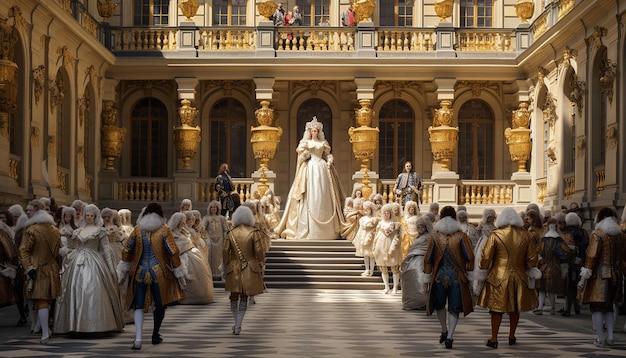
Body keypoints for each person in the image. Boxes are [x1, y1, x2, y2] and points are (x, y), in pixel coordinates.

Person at [117, 202, 186, 350]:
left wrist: (124, 267)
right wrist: (178, 269)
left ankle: (138, 338)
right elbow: (172, 251)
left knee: (139, 306)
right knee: (160, 305)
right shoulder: (164, 230)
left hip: (139, 272)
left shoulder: (137, 230)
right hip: (159, 273)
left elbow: (127, 250)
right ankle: (155, 334)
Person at [475, 207, 540, 349]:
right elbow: (532, 259)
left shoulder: (495, 235)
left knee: (496, 309)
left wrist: (483, 267)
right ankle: (511, 335)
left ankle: (494, 338)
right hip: (519, 276)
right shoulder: (526, 235)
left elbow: (485, 259)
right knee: (514, 308)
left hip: (498, 277)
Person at [54, 204, 124, 334]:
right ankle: (74, 324)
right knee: (75, 290)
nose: (89, 217)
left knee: (94, 289)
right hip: (77, 262)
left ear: (95, 216)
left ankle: (98, 324)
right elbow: (74, 247)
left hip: (95, 262)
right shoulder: (78, 231)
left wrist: (111, 268)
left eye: (91, 215)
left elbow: (106, 250)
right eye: (87, 215)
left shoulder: (100, 231)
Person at [275, 116, 346, 240]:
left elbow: (328, 155)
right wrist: (305, 155)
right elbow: (301, 157)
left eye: (316, 131)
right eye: (313, 131)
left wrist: (329, 161)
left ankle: (327, 231)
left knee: (324, 195)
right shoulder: (306, 143)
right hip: (311, 168)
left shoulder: (323, 143)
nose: (315, 132)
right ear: (309, 131)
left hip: (322, 168)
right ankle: (309, 230)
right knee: (311, 195)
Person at [423, 206, 474, 349]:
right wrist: (469, 273)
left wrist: (426, 275)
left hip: (439, 276)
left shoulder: (435, 236)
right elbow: (469, 257)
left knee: (440, 305)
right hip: (456, 277)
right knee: (454, 307)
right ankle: (450, 336)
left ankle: (444, 330)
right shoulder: (462, 236)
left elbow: (428, 258)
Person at [578, 207, 625, 347]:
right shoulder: (621, 235)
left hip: (599, 275)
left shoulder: (597, 234)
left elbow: (592, 256)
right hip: (616, 275)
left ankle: (600, 338)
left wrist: (584, 276)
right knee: (609, 307)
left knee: (597, 307)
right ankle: (610, 337)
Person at [17, 199, 62, 344]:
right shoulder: (55, 230)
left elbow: (23, 250)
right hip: (52, 269)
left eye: (29, 210)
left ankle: (44, 333)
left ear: (37, 210)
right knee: (46, 301)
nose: (27, 212)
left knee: (41, 302)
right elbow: (59, 251)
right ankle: (45, 330)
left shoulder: (31, 229)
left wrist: (28, 268)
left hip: (37, 269)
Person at [224, 206, 266, 335]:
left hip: (233, 267)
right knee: (244, 296)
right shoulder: (254, 232)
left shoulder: (231, 232)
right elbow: (259, 252)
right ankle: (238, 324)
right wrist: (260, 263)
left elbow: (225, 251)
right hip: (249, 268)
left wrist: (226, 264)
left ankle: (236, 323)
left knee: (233, 296)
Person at [168, 212, 214, 304]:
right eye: (182, 221)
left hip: (192, 255)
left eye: (184, 221)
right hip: (182, 257)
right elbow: (176, 247)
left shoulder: (185, 232)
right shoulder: (172, 234)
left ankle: (201, 296)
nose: (184, 223)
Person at [533, 219, 572, 316]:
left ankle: (540, 307)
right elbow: (566, 253)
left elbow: (537, 252)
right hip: (556, 266)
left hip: (544, 266)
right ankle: (552, 308)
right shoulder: (559, 240)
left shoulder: (543, 240)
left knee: (542, 288)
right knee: (552, 289)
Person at [561, 212, 589, 316]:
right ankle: (577, 307)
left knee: (569, 285)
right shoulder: (584, 232)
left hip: (570, 261)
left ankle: (567, 309)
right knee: (578, 283)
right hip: (581, 261)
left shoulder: (566, 233)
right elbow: (587, 245)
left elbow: (565, 248)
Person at [400, 216, 431, 310]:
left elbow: (428, 249)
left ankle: (422, 302)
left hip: (422, 260)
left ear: (426, 227)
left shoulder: (429, 237)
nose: (420, 229)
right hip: (412, 260)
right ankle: (412, 302)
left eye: (422, 227)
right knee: (411, 280)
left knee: (420, 280)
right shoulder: (417, 237)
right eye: (419, 227)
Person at [373, 203, 402, 294]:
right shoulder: (380, 223)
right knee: (383, 267)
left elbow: (399, 235)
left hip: (392, 245)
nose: (386, 214)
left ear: (390, 213)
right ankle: (386, 287)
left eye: (388, 213)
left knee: (394, 267)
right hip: (381, 245)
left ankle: (395, 287)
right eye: (384, 213)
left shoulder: (395, 224)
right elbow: (377, 234)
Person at [203, 200, 229, 280]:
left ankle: (219, 274)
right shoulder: (206, 218)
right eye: (212, 207)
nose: (213, 209)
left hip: (220, 241)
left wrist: (225, 238)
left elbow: (225, 229)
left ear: (218, 209)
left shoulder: (221, 218)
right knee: (210, 257)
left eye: (215, 207)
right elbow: (203, 229)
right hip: (210, 240)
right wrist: (206, 238)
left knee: (219, 257)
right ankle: (210, 274)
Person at [353, 201, 378, 276]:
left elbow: (376, 229)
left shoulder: (375, 219)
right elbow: (361, 229)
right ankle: (367, 269)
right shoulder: (363, 219)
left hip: (372, 237)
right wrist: (359, 237)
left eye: (368, 209)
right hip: (364, 237)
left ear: (371, 210)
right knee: (365, 255)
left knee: (372, 255)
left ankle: (372, 270)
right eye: (365, 210)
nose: (367, 211)